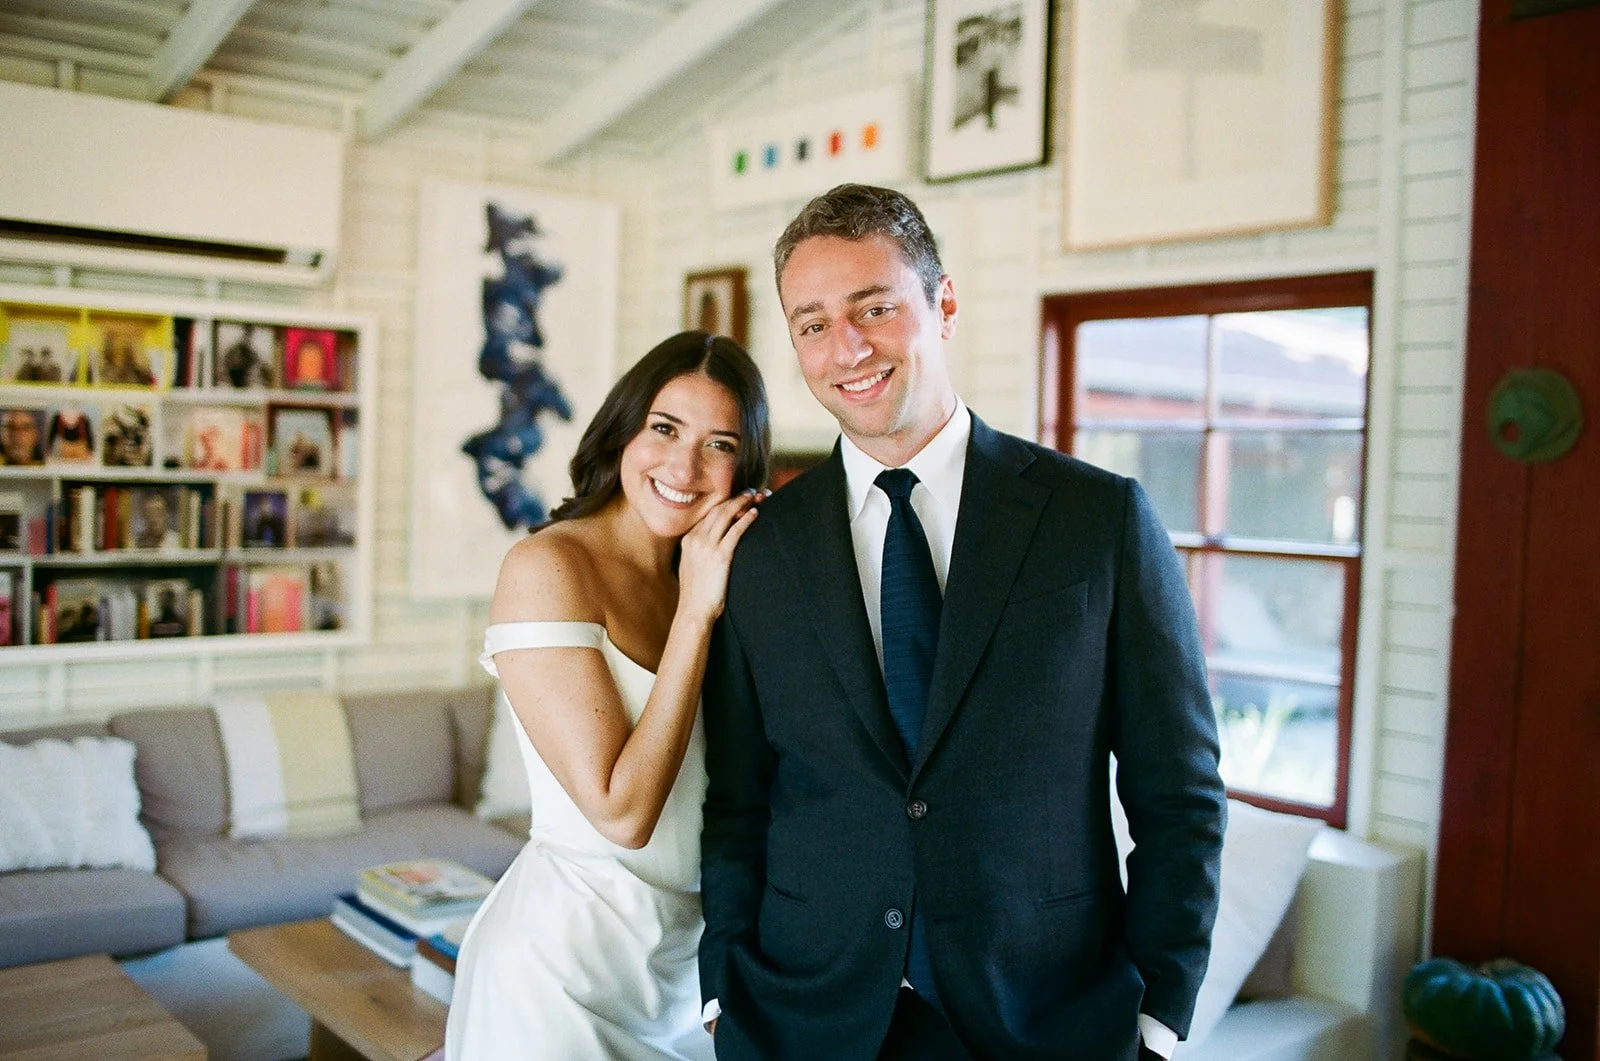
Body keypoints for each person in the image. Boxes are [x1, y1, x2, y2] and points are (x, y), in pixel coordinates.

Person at [699, 184, 1227, 1061]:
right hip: (806, 1019)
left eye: (875, 307)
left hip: (1045, 1018)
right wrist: (724, 992)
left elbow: (1179, 796)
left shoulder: (1097, 520)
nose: (849, 347)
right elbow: (740, 800)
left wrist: (1159, 1015)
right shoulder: (759, 548)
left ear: (943, 305)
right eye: (813, 323)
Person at [446, 330, 771, 1061]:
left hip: (686, 976)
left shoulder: (722, 574)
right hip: (560, 976)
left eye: (719, 444)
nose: (684, 465)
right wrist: (695, 613)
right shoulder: (548, 566)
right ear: (624, 428)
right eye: (664, 428)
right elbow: (622, 813)